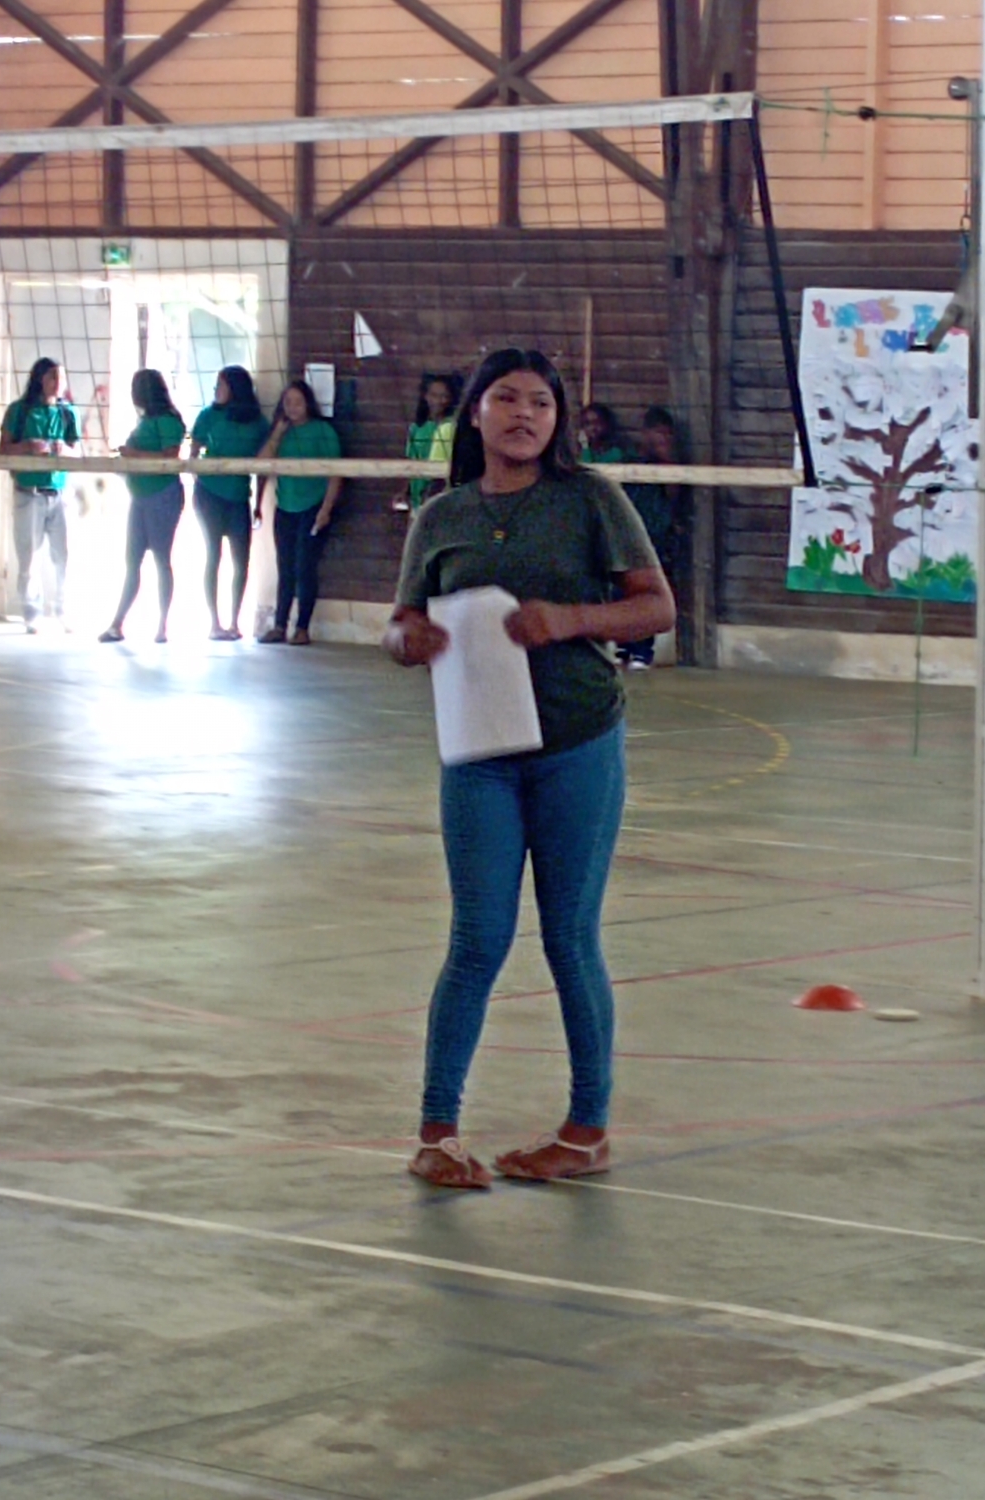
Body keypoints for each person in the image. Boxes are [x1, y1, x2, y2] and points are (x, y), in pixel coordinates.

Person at [384, 348, 675, 1190]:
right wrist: (406, 641)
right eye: (505, 398)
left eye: (540, 402)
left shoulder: (592, 500)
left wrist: (571, 619)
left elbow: (655, 606)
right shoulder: (439, 517)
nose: (523, 413)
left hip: (577, 742)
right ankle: (436, 1134)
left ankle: (586, 1129)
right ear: (472, 413)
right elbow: (398, 623)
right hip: (477, 751)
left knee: (569, 937)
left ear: (559, 418)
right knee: (475, 939)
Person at [98, 370, 186, 645]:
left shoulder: (169, 421)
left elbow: (170, 457)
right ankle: (117, 624)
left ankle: (162, 625)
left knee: (161, 559)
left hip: (162, 496)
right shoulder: (145, 420)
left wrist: (134, 455)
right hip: (139, 496)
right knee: (132, 561)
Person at [254, 380, 343, 646]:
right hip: (285, 508)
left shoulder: (323, 431)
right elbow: (261, 464)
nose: (292, 407)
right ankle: (279, 625)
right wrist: (278, 432)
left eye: (297, 402)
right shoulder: (280, 432)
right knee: (285, 567)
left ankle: (302, 627)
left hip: (313, 507)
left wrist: (326, 509)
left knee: (305, 567)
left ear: (308, 404)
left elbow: (336, 474)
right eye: (287, 402)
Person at [0, 358, 80, 633]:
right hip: (28, 493)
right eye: (52, 378)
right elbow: (3, 450)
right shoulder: (19, 411)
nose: (58, 384)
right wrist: (27, 447)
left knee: (64, 555)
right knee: (29, 557)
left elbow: (77, 452)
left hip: (59, 491)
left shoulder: (68, 413)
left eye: (61, 378)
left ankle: (64, 610)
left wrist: (62, 450)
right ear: (39, 380)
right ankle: (31, 613)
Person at [189, 366, 271, 640]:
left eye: (221, 386)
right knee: (213, 554)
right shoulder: (208, 416)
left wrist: (258, 503)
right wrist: (198, 472)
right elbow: (193, 449)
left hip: (238, 496)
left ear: (235, 389)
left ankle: (235, 622)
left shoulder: (258, 422)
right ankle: (214, 623)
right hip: (209, 493)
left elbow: (263, 465)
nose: (216, 391)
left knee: (241, 559)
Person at [620, 406, 679, 669]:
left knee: (647, 594)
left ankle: (643, 651)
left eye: (667, 435)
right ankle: (624, 646)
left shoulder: (668, 467)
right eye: (658, 434)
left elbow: (673, 494)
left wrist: (666, 459)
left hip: (655, 541)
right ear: (645, 434)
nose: (662, 440)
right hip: (626, 539)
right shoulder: (630, 462)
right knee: (620, 591)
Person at [393, 371, 462, 514]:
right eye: (434, 395)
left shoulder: (451, 427)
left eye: (444, 396)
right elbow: (411, 461)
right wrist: (405, 492)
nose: (439, 401)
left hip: (442, 495)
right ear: (425, 396)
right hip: (418, 498)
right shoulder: (417, 428)